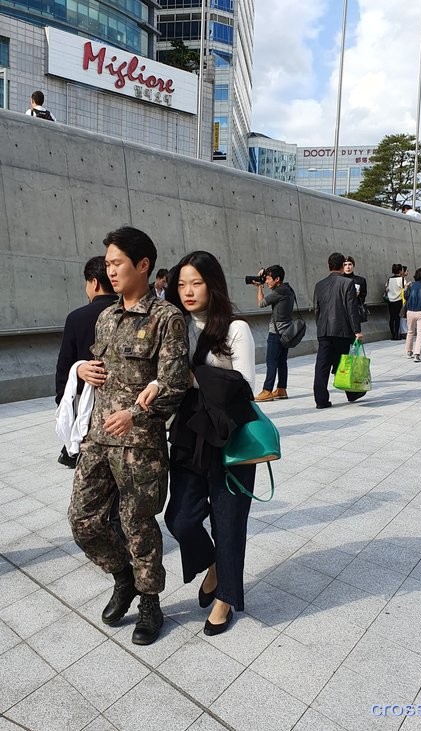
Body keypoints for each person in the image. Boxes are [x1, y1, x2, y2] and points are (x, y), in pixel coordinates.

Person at [68, 226, 188, 646]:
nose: (109, 270)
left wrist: (137, 412)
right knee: (82, 521)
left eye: (117, 263)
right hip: (98, 439)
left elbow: (173, 386)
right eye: (107, 263)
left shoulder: (167, 319)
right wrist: (82, 369)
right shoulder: (106, 316)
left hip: (140, 446)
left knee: (137, 524)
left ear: (143, 265)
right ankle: (124, 578)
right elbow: (99, 369)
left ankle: (150, 601)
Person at [137, 251, 257, 637]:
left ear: (213, 285)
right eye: (182, 284)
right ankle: (215, 564)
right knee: (180, 518)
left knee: (229, 522)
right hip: (189, 435)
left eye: (197, 283)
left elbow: (245, 387)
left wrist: (195, 377)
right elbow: (165, 375)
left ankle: (226, 598)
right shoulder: (177, 325)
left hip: (229, 438)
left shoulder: (236, 329)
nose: (187, 292)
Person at [55, 256, 118, 467]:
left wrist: (62, 402)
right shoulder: (130, 314)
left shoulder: (77, 317)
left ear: (94, 282)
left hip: (87, 407)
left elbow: (64, 365)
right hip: (124, 411)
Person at [313, 252, 364, 409]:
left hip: (324, 330)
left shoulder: (319, 285)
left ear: (329, 266)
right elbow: (351, 309)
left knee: (322, 365)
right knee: (344, 363)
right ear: (343, 266)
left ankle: (321, 400)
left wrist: (320, 326)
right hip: (341, 331)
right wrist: (357, 331)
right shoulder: (347, 284)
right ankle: (352, 393)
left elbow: (316, 309)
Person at [253, 264, 294, 402]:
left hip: (276, 333)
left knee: (271, 361)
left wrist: (259, 287)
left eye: (268, 278)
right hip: (286, 332)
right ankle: (282, 389)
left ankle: (267, 390)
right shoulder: (288, 289)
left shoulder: (279, 292)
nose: (266, 281)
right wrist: (264, 275)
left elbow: (261, 303)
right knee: (282, 361)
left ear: (277, 279)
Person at [404, 267, 421, 362]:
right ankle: (417, 354)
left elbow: (406, 296)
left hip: (410, 311)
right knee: (420, 333)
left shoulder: (411, 285)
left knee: (410, 331)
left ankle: (408, 351)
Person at [385, 264, 406, 340]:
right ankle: (397, 335)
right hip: (398, 300)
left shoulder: (389, 279)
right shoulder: (402, 279)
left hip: (390, 300)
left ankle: (393, 334)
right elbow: (405, 289)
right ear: (400, 271)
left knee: (392, 317)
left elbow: (387, 288)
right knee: (397, 318)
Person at [343, 256, 368, 321]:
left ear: (353, 265)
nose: (348, 267)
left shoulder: (360, 280)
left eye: (350, 264)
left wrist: (356, 297)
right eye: (345, 265)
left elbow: (363, 296)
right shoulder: (339, 280)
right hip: (341, 313)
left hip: (355, 312)